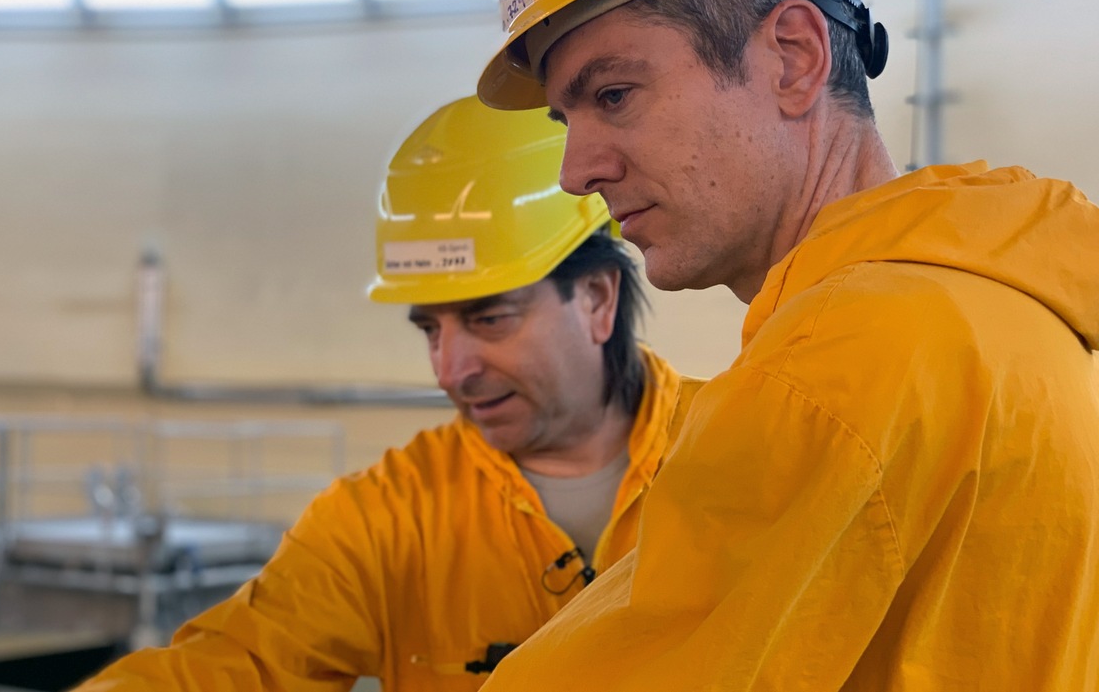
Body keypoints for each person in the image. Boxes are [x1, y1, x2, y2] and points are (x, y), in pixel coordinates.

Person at [473, 0, 1099, 688]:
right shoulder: (1008, 293)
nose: (575, 169)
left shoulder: (837, 363)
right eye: (567, 117)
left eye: (615, 94)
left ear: (794, 57)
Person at [72, 96, 692, 691]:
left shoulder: (736, 453)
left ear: (596, 299)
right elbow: (236, 664)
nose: (450, 370)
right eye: (430, 328)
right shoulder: (387, 520)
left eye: (489, 319)